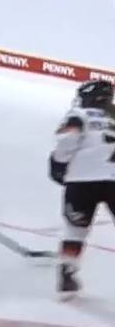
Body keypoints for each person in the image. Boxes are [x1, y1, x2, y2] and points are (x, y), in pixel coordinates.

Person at [49, 79, 115, 299]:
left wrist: (58, 164)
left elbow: (67, 139)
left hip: (81, 181)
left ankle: (68, 271)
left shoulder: (80, 115)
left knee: (75, 229)